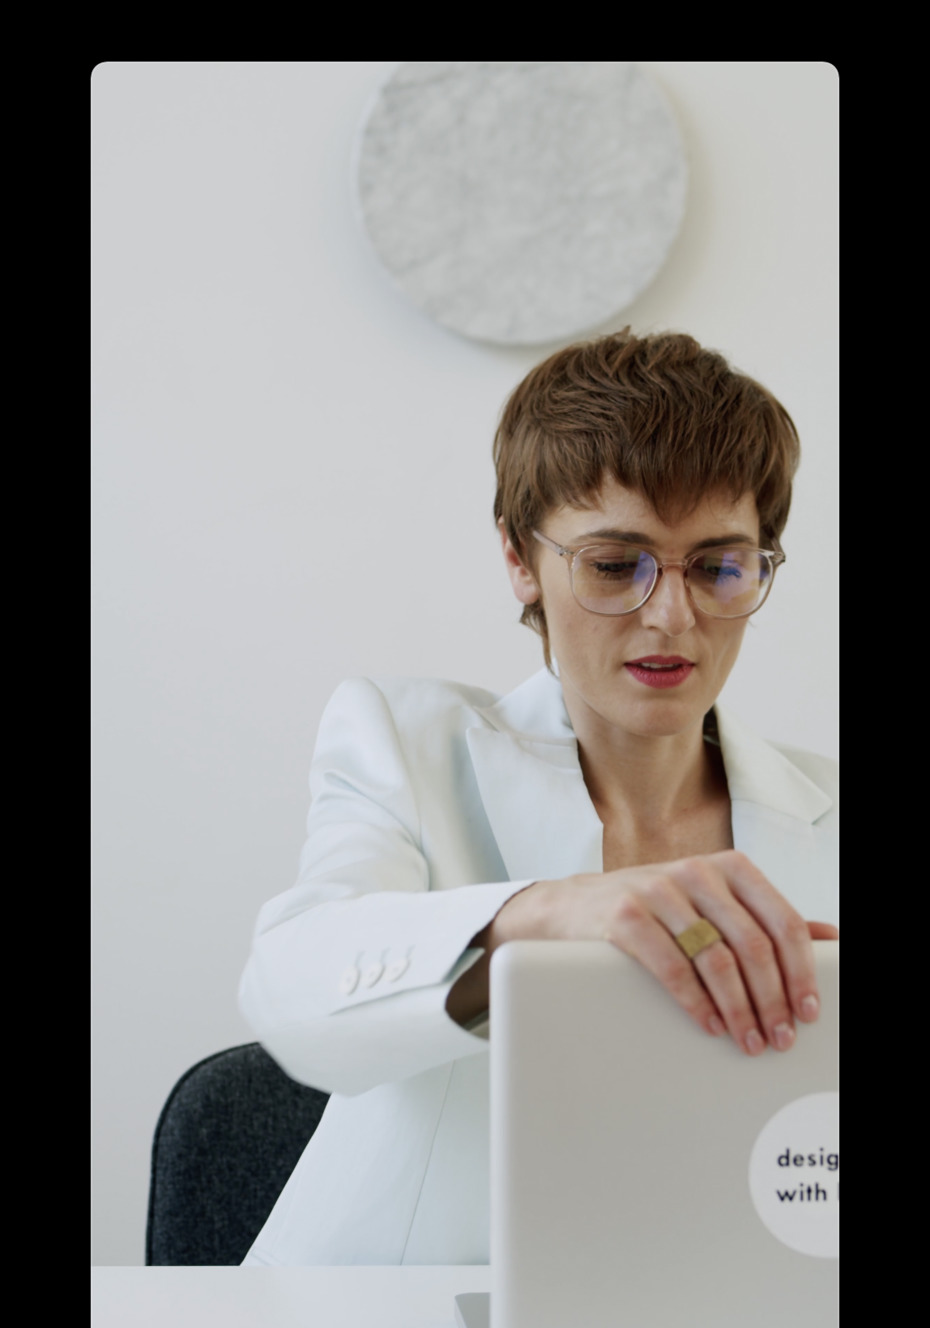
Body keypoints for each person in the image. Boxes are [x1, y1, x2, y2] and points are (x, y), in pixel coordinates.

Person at [238, 329, 838, 1266]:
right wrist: (540, 914)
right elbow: (291, 993)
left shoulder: (829, 808)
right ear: (522, 560)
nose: (672, 616)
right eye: (614, 566)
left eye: (719, 566)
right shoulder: (408, 744)